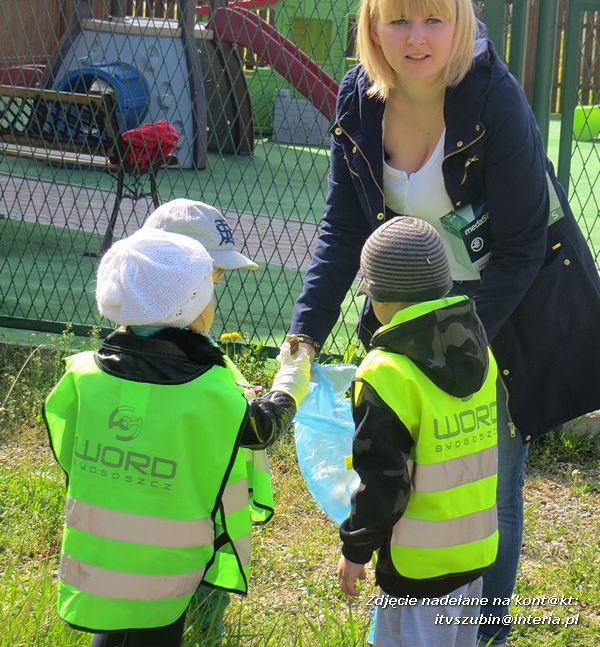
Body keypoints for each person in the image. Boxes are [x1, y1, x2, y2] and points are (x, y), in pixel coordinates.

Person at [287, 0, 600, 646]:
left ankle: (484, 628)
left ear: (459, 24)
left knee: (491, 476)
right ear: (373, 29)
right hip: (407, 306)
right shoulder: (355, 100)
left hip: (504, 304)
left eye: (433, 19)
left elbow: (520, 247)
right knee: (406, 464)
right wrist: (303, 333)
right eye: (398, 21)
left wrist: (452, 345)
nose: (417, 37)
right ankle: (413, 614)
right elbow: (343, 228)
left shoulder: (494, 99)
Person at [44, 228, 311, 647]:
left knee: (114, 633)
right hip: (166, 568)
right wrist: (292, 377)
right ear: (189, 308)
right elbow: (261, 429)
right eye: (208, 291)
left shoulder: (80, 374)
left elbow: (69, 450)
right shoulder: (209, 390)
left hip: (97, 557)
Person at [337, 216, 498, 647]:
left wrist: (355, 549)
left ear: (382, 298)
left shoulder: (386, 372)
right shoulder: (482, 349)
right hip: (474, 551)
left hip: (417, 568)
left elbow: (383, 483)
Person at [143, 198, 269, 645]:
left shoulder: (177, 342)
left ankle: (205, 630)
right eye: (210, 277)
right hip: (183, 518)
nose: (214, 289)